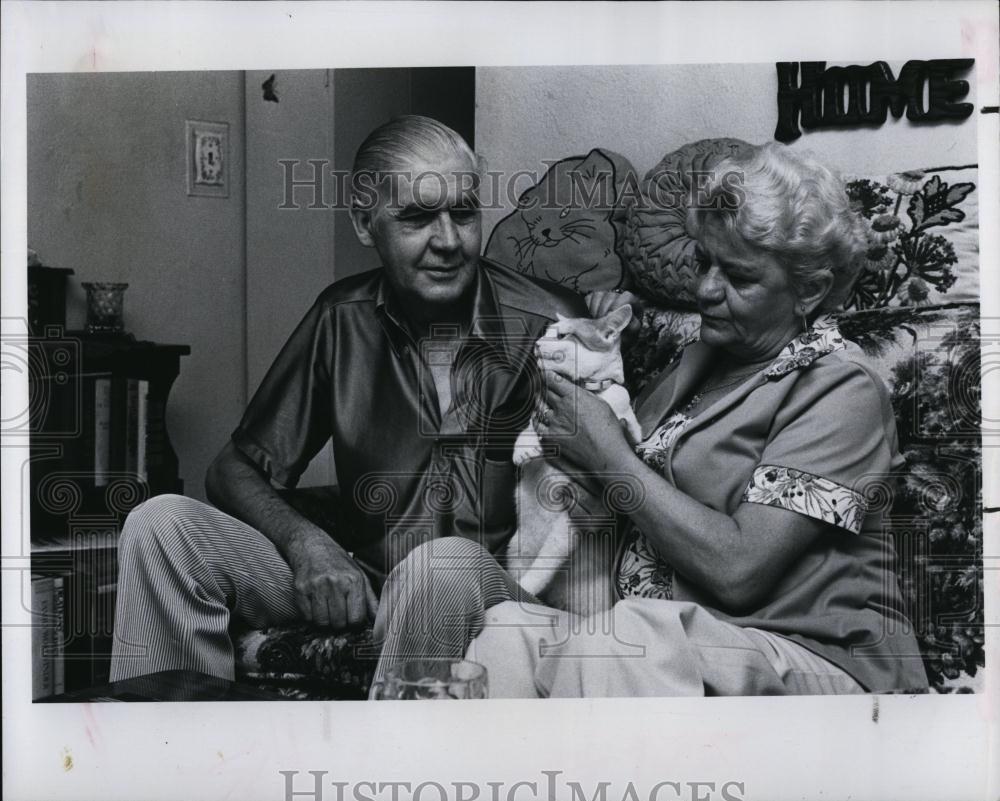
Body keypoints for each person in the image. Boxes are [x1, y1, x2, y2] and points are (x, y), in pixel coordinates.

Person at [373, 142, 929, 697]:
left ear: (810, 289)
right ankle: (417, 770)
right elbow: (625, 517)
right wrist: (580, 483)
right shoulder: (696, 364)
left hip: (804, 654)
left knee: (619, 638)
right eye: (704, 261)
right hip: (653, 639)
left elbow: (739, 572)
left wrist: (608, 458)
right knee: (460, 593)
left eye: (738, 276)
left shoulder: (841, 390)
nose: (706, 290)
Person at [109, 115, 586, 683]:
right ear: (366, 223)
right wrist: (307, 543)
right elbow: (233, 469)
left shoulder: (553, 324)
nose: (449, 241)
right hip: (367, 584)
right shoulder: (341, 318)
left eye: (463, 212)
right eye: (416, 217)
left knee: (437, 569)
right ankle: (180, 756)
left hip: (492, 591)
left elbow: (601, 496)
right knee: (159, 524)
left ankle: (381, 766)